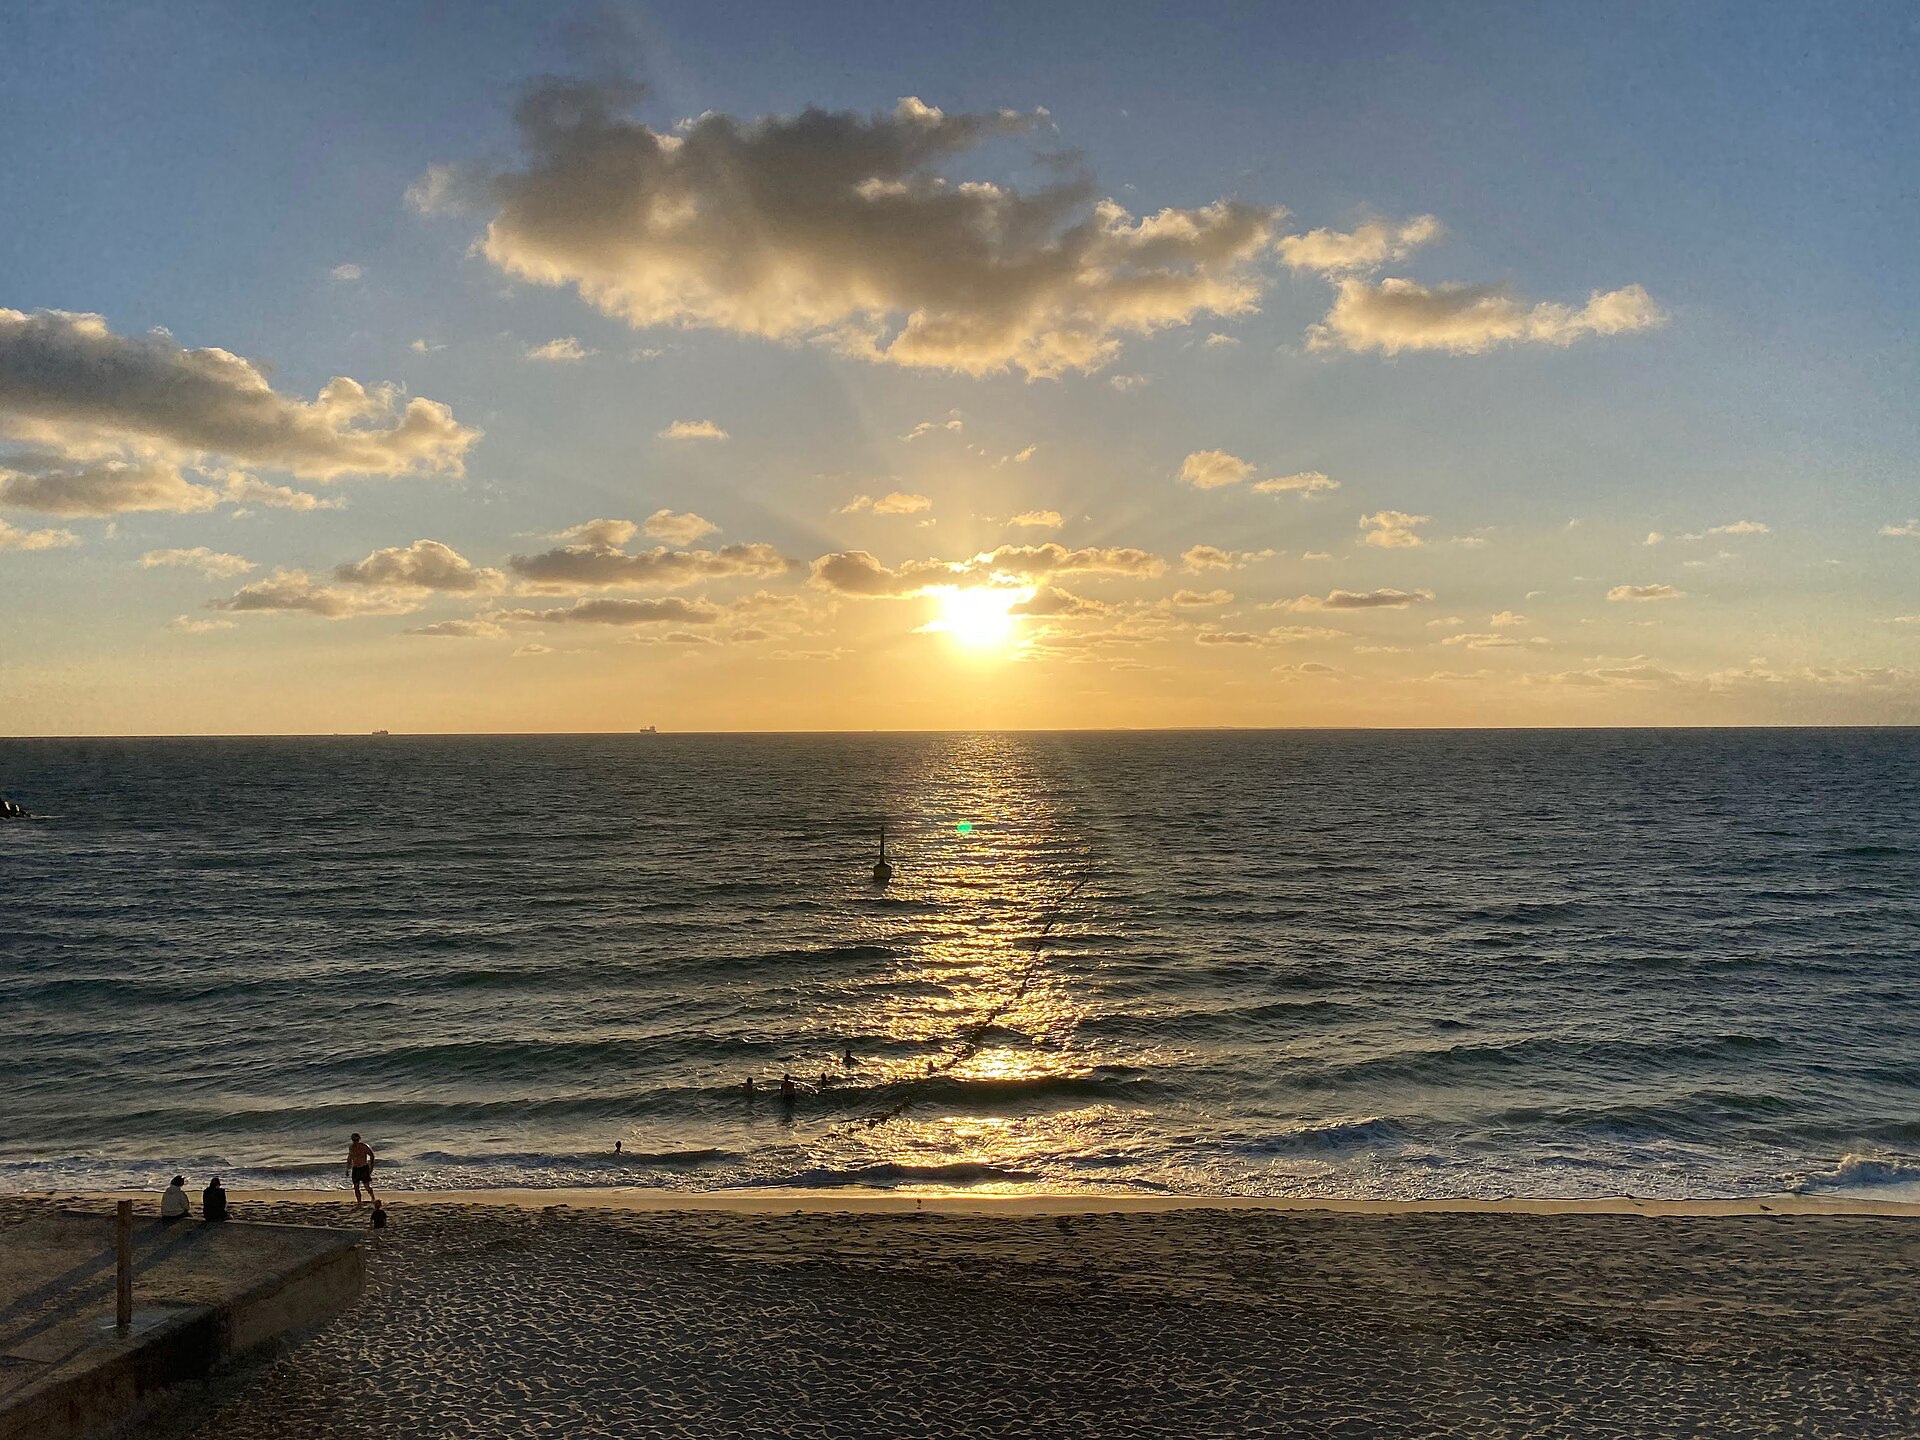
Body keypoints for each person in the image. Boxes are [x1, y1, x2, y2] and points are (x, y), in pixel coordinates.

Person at [347, 1133, 377, 1204]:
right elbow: (349, 1158)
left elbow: (372, 1156)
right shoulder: (351, 1147)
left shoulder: (364, 1146)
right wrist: (348, 1169)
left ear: (359, 1139)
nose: (355, 1141)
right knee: (356, 1187)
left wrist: (371, 1167)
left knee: (367, 1187)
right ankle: (359, 1202)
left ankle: (373, 1197)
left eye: (356, 1140)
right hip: (355, 1168)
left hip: (363, 1168)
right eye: (353, 1140)